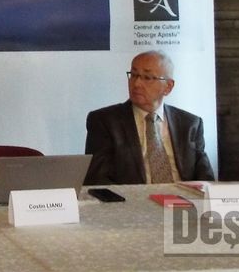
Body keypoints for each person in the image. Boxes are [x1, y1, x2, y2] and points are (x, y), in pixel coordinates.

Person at [83, 50, 214, 185]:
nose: (136, 83)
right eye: (134, 75)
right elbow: (98, 179)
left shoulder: (190, 123)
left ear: (168, 87)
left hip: (183, 196)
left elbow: (206, 179)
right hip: (132, 197)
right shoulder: (104, 121)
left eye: (147, 77)